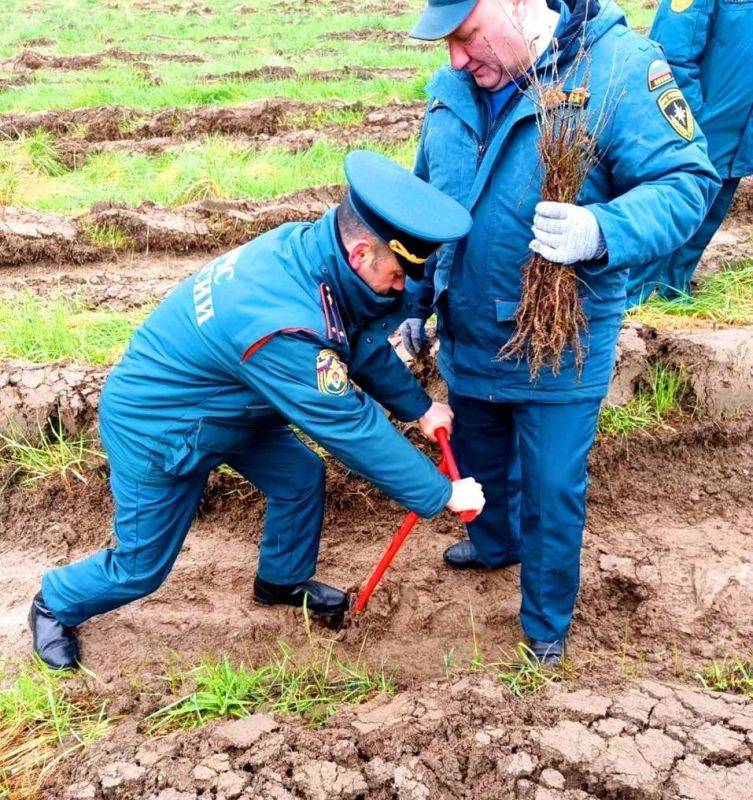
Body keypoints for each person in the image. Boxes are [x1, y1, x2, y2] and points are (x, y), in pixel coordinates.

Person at [29, 150, 486, 671]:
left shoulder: (311, 254)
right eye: (398, 275)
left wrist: (420, 407)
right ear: (361, 254)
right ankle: (54, 602)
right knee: (140, 568)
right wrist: (440, 491)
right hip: (159, 425)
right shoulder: (281, 323)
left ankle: (281, 580)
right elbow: (346, 423)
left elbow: (349, 337)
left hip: (228, 408)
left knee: (299, 475)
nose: (402, 288)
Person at [400, 0, 720, 664]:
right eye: (446, 45)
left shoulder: (618, 68)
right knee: (481, 460)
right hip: (468, 334)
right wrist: (409, 300)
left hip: (558, 347)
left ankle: (545, 625)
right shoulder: (452, 89)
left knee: (548, 492)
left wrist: (602, 230)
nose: (455, 58)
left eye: (465, 37)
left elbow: (686, 183)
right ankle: (493, 545)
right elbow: (422, 203)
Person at [626, 0, 753, 305]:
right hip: (696, 132)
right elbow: (671, 54)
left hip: (738, 140)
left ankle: (673, 292)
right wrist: (693, 119)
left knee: (704, 223)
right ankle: (627, 302)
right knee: (666, 216)